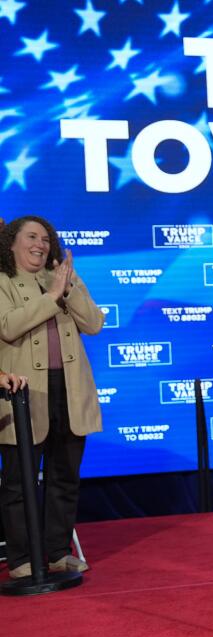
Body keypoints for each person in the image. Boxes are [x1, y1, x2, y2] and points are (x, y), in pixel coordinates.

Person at [0, 216, 105, 579]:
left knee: (65, 475)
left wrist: (68, 287)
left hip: (70, 390)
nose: (41, 244)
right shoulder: (3, 281)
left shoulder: (62, 277)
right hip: (24, 394)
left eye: (46, 238)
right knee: (19, 481)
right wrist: (49, 297)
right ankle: (21, 559)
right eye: (31, 237)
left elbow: (94, 323)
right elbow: (8, 325)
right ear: (11, 242)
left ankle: (59, 552)